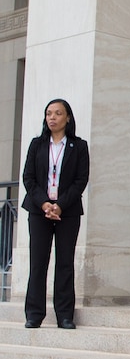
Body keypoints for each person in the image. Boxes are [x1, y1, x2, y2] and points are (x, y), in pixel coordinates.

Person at [22, 98, 89, 330]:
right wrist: (44, 204)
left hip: (67, 212)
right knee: (38, 263)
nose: (52, 117)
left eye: (57, 113)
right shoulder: (37, 145)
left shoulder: (79, 146)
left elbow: (81, 180)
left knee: (64, 263)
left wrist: (59, 205)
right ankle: (34, 314)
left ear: (67, 117)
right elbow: (28, 179)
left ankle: (64, 316)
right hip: (38, 211)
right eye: (49, 113)